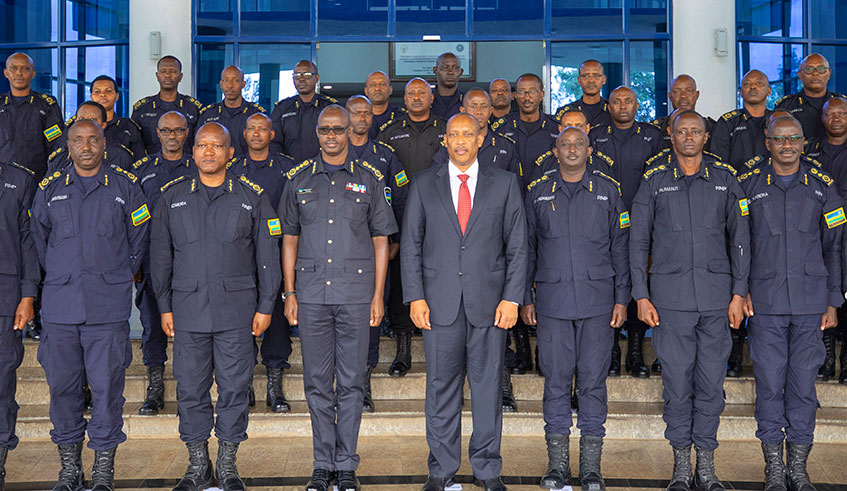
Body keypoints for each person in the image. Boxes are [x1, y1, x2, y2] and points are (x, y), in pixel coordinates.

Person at [150, 122, 281, 491]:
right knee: (190, 389)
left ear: (230, 153)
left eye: (216, 146)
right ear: (192, 152)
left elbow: (267, 256)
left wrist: (266, 305)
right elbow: (160, 256)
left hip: (237, 312)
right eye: (202, 145)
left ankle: (226, 465)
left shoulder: (252, 197)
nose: (209, 152)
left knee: (235, 388)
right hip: (187, 311)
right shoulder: (171, 197)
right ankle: (197, 465)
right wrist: (163, 305)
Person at [402, 113, 527, 491]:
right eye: (453, 134)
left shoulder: (504, 184)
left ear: (480, 140)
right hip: (438, 305)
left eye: (467, 134)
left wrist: (512, 298)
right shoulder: (424, 184)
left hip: (490, 305)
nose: (460, 140)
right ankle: (441, 468)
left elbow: (518, 246)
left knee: (488, 388)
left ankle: (487, 469)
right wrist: (415, 296)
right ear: (444, 140)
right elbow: (411, 246)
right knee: (440, 388)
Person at [630, 111, 750, 491]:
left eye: (695, 131)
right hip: (670, 301)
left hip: (717, 301)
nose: (688, 137)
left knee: (711, 385)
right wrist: (641, 295)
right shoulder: (654, 181)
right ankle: (682, 464)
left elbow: (741, 240)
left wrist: (739, 292)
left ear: (705, 136)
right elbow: (638, 242)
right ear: (670, 135)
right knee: (678, 385)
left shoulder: (726, 180)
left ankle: (707, 465)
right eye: (681, 131)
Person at [280, 105, 396, 491]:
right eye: (325, 130)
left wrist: (378, 296)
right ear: (317, 133)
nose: (332, 136)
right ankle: (321, 464)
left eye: (338, 130)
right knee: (315, 382)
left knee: (350, 384)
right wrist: (290, 292)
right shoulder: (298, 180)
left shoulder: (370, 179)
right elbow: (289, 238)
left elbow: (382, 240)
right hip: (311, 296)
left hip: (356, 296)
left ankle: (346, 465)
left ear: (350, 131)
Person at [30, 119, 150, 491]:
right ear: (68, 145)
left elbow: (139, 240)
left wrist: (113, 275)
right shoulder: (49, 190)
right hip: (61, 309)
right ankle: (69, 470)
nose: (86, 146)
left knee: (107, 389)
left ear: (104, 144)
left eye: (93, 140)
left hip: (107, 309)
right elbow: (40, 242)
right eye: (78, 140)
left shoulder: (127, 187)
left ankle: (101, 471)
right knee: (63, 390)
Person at [738, 115, 842, 491]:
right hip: (764, 302)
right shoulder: (748, 187)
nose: (786, 145)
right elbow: (740, 245)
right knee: (768, 384)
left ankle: (797, 467)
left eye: (793, 139)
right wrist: (740, 289)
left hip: (811, 303)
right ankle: (773, 469)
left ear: (802, 142)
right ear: (767, 143)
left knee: (802, 386)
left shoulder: (823, 188)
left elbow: (835, 249)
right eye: (779, 139)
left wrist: (833, 300)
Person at [522, 127, 629, 490]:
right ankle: (556, 467)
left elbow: (621, 248)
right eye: (565, 144)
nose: (571, 149)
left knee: (593, 384)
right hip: (552, 304)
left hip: (598, 304)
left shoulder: (608, 191)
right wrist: (525, 297)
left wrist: (622, 298)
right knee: (554, 383)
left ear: (588, 150)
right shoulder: (538, 193)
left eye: (578, 144)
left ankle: (591, 469)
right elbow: (527, 250)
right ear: (555, 150)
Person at [588, 86, 664, 378]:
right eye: (617, 101)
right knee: (608, 283)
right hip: (602, 222)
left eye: (628, 101)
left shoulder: (652, 136)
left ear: (637, 105)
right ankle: (611, 350)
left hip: (641, 220)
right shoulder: (596, 136)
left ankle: (634, 351)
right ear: (609, 106)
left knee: (637, 284)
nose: (622, 106)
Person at [378, 78, 447, 378]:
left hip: (444, 219)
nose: (417, 97)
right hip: (402, 218)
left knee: (442, 280)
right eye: (411, 93)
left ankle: (442, 350)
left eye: (422, 93)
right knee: (403, 282)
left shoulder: (446, 130)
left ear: (432, 98)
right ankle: (403, 349)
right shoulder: (388, 134)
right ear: (403, 99)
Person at [346, 95, 410, 412]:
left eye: (366, 113)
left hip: (375, 254)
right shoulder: (329, 154)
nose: (361, 117)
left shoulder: (385, 156)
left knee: (371, 319)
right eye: (355, 112)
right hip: (339, 256)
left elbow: (401, 199)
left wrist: (396, 240)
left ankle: (364, 382)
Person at [132, 111, 195, 416]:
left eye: (178, 130)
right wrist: (135, 262)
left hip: (191, 264)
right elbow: (134, 221)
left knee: (189, 331)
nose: (172, 136)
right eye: (166, 131)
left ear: (187, 133)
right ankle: (155, 387)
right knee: (152, 328)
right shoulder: (142, 170)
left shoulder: (199, 168)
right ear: (157, 133)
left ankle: (188, 388)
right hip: (151, 262)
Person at [230, 112, 294, 412]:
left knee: (277, 319)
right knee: (240, 322)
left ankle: (274, 385)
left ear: (272, 134)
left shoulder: (287, 169)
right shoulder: (231, 169)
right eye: (251, 129)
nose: (256, 134)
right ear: (244, 134)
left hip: (278, 254)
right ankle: (243, 386)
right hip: (239, 257)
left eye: (263, 129)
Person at [801, 98, 847, 384]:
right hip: (819, 231)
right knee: (825, 289)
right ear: (823, 118)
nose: (837, 118)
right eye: (832, 114)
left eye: (842, 114)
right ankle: (826, 358)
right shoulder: (810, 151)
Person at [0, 159, 38, 488]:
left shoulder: (19, 178)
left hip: (5, 296)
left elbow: (28, 240)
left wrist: (28, 295)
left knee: (1, 381)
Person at [0, 52, 65, 182]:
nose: (19, 73)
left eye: (25, 68)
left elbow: (56, 147)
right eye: (14, 68)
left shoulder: (46, 106)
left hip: (35, 182)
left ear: (33, 73)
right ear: (6, 73)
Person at [491, 73, 559, 189]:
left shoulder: (556, 128)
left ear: (541, 94)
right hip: (510, 193)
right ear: (515, 95)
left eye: (532, 91)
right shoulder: (501, 128)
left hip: (547, 194)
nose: (527, 98)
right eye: (522, 92)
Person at [270, 60, 338, 164]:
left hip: (323, 171)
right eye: (297, 75)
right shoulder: (282, 108)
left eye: (306, 75)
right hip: (290, 172)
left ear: (317, 78)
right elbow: (274, 144)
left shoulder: (330, 108)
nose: (301, 79)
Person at [132, 56, 202, 155]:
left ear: (180, 76)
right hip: (150, 168)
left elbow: (199, 143)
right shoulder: (142, 109)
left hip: (187, 167)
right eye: (163, 71)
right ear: (157, 76)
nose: (167, 75)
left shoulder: (193, 108)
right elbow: (135, 145)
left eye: (173, 71)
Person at [711, 70, 773, 171]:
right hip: (737, 184)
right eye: (747, 84)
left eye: (759, 83)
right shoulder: (727, 122)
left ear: (769, 91)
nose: (753, 87)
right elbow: (718, 163)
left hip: (773, 183)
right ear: (741, 93)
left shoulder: (778, 121)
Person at [198, 65, 266, 157]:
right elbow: (198, 145)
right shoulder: (208, 114)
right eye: (226, 80)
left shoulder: (255, 114)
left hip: (246, 169)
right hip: (215, 168)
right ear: (221, 84)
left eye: (235, 80)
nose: (230, 85)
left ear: (243, 84)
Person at [48, 101, 135, 173]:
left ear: (103, 125)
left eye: (93, 120)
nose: (86, 123)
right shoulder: (60, 157)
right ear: (75, 122)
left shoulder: (120, 156)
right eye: (81, 119)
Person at [776, 53, 847, 140]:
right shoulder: (786, 106)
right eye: (808, 69)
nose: (815, 73)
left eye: (821, 69)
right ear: (800, 75)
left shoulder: (843, 104)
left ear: (829, 73)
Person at [652, 75, 716, 150]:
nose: (683, 96)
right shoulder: (655, 129)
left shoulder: (712, 128)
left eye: (689, 91)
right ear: (670, 96)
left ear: (697, 95)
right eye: (676, 92)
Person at [90, 74, 145, 159]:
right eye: (97, 92)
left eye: (108, 91)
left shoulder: (130, 127)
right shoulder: (79, 126)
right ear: (91, 97)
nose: (102, 95)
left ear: (117, 96)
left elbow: (140, 161)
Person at [554, 60, 612, 128]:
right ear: (579, 80)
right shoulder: (565, 112)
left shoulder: (613, 110)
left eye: (596, 76)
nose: (591, 80)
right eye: (585, 76)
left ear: (604, 79)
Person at [364, 71, 406, 140]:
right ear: (366, 91)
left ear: (390, 90)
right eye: (373, 85)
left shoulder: (402, 117)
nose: (377, 88)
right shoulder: (356, 119)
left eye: (382, 84)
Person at [431, 53, 464, 120]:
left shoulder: (467, 100)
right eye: (445, 68)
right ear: (435, 70)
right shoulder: (426, 99)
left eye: (455, 68)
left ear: (461, 72)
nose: (450, 72)